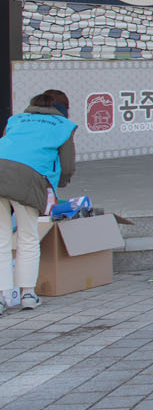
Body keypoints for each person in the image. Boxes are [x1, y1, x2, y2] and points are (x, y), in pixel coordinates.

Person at [0, 90, 77, 311]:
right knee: (28, 236)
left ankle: (1, 297)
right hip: (28, 180)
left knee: (1, 239)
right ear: (63, 109)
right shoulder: (63, 126)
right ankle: (27, 295)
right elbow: (67, 166)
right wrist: (58, 183)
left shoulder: (16, 120)